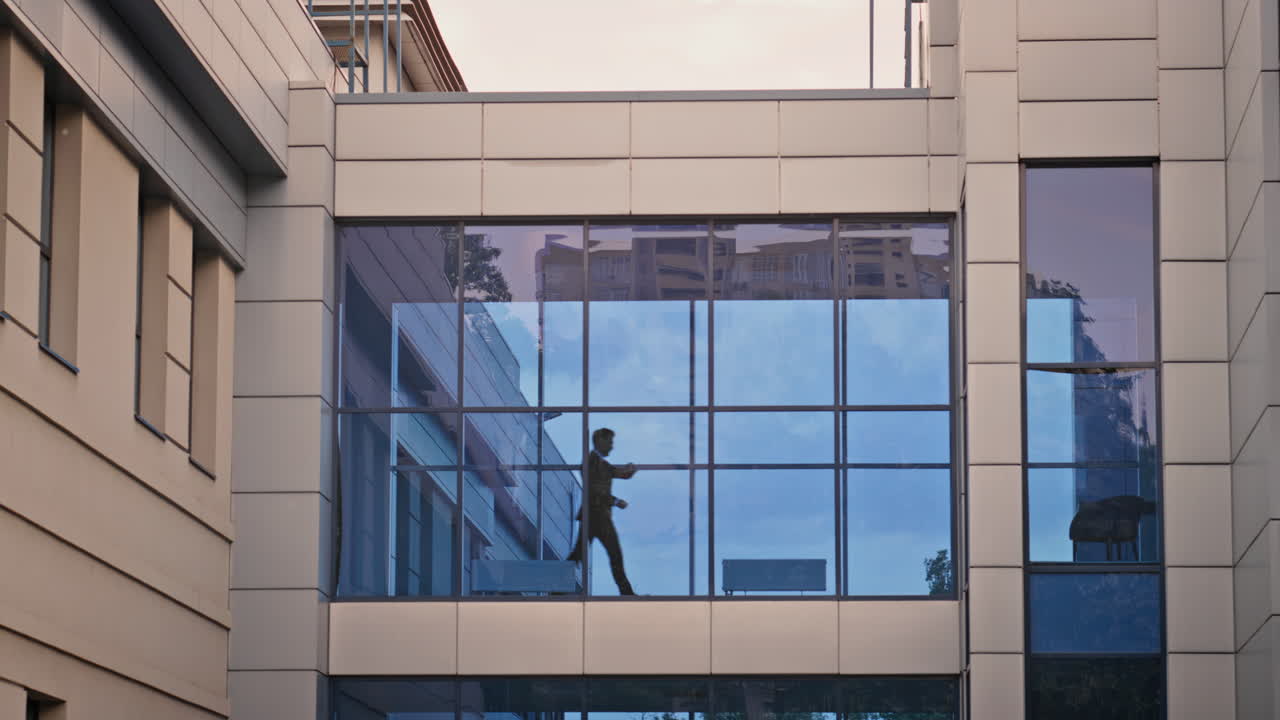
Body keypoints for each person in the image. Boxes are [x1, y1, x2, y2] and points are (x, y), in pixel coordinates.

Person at [567, 427, 637, 595]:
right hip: (597, 516)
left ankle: (555, 590)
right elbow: (595, 491)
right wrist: (616, 501)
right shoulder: (591, 463)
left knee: (578, 555)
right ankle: (626, 593)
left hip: (595, 516)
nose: (612, 446)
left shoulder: (601, 463)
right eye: (610, 442)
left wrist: (629, 471)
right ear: (600, 441)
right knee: (614, 554)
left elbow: (618, 473)